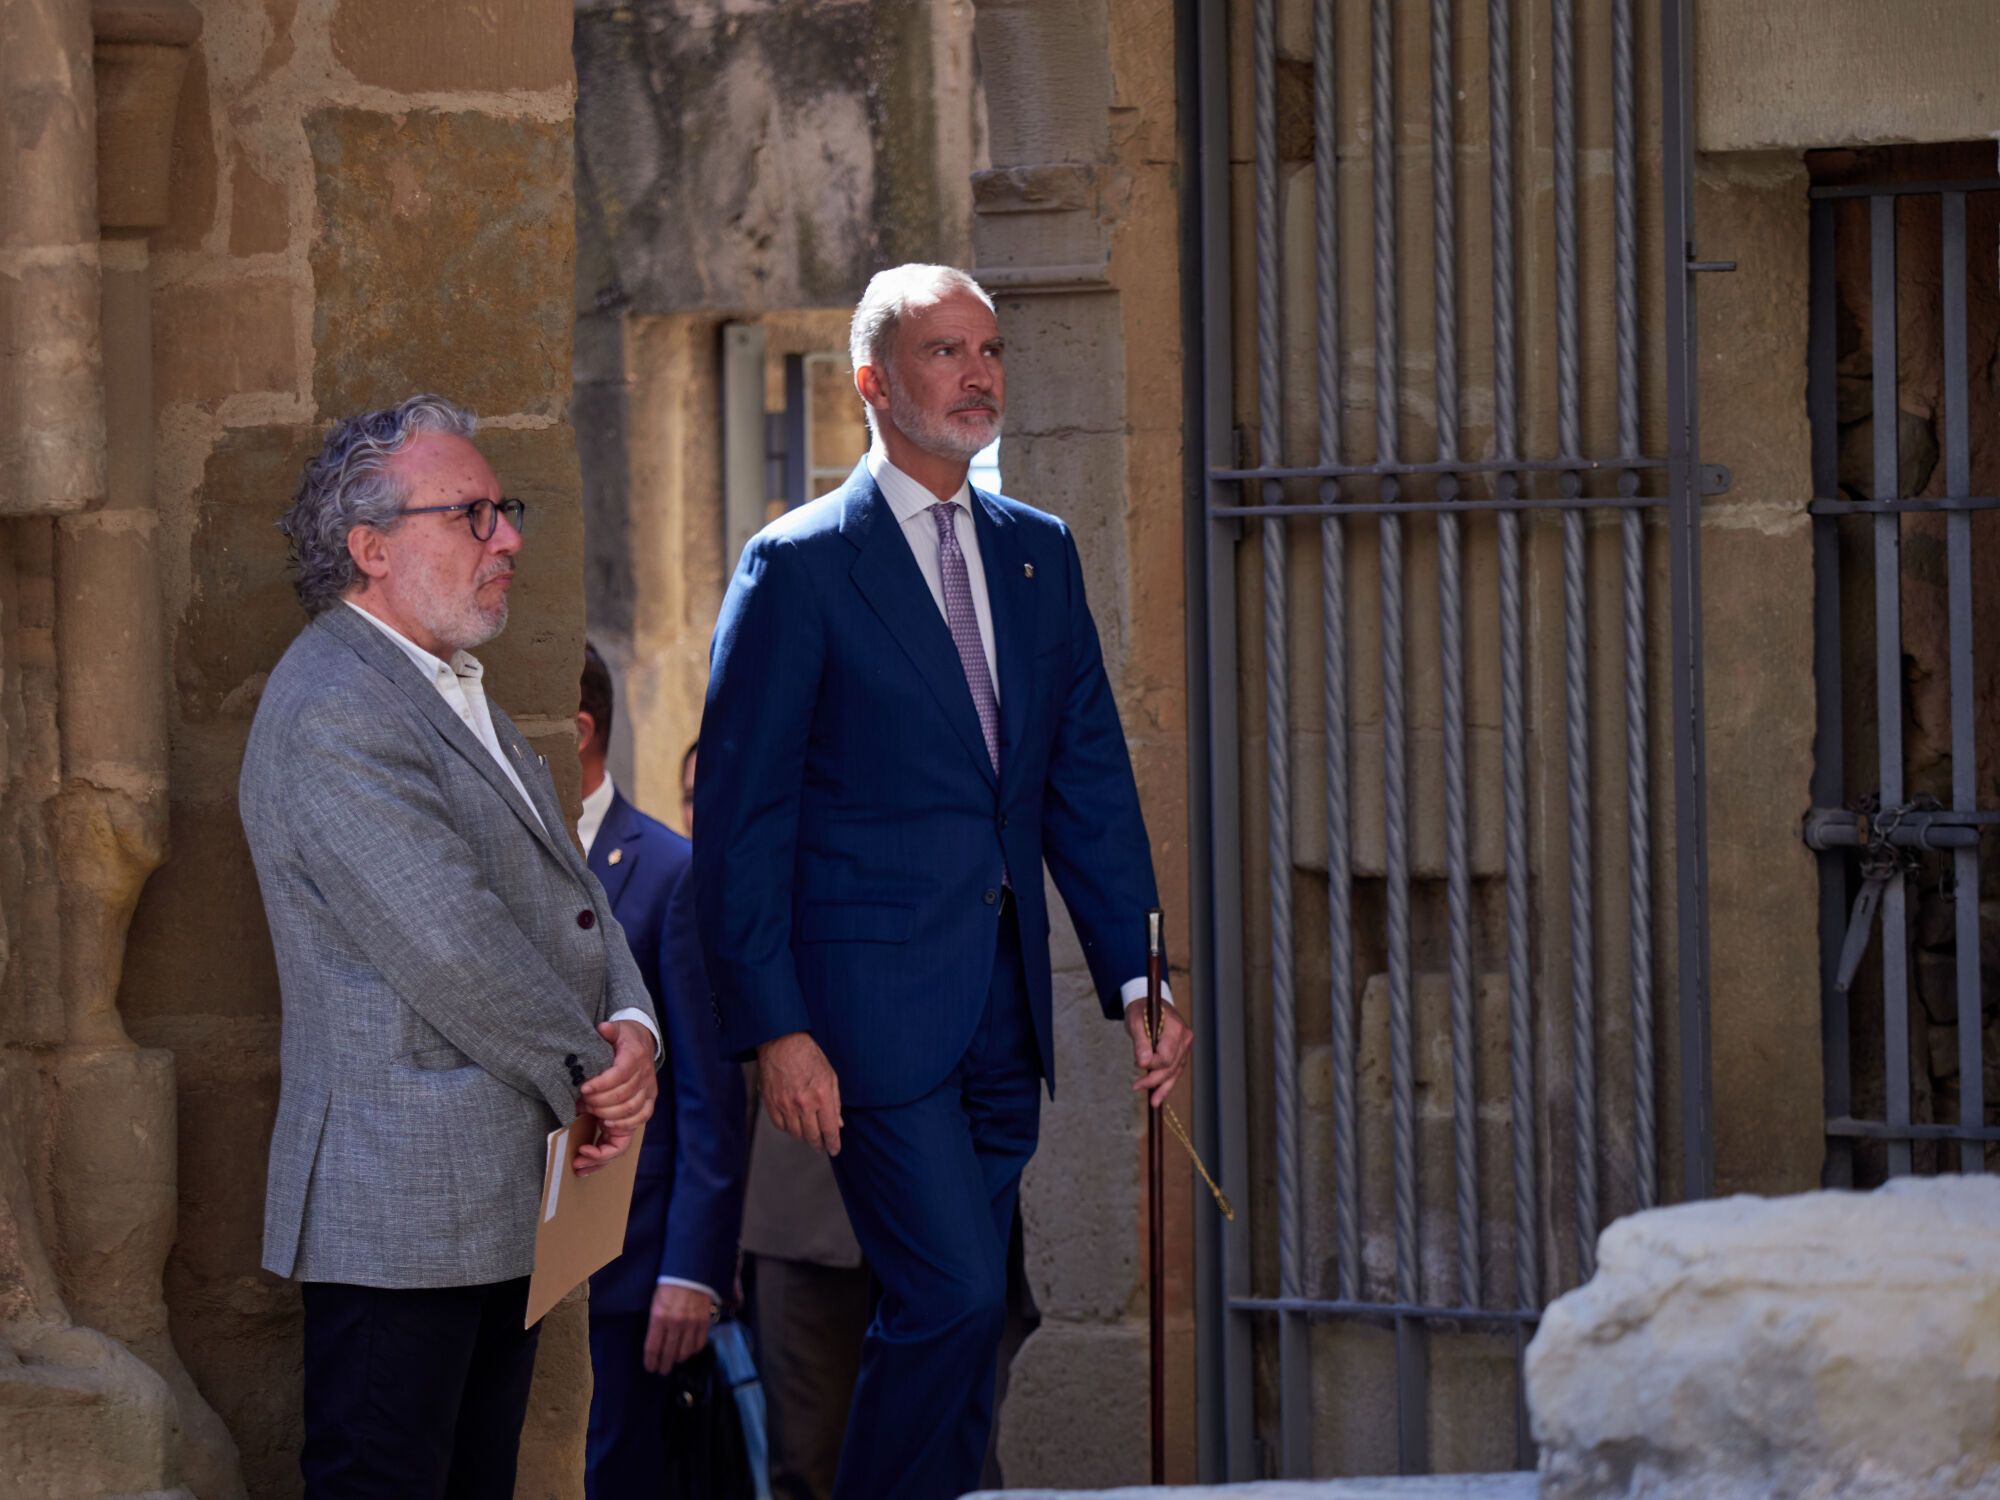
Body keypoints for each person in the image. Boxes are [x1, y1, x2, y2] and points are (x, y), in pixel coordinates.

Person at [694, 264, 1193, 1500]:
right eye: (944, 352)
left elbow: (1085, 780)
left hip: (1001, 1017)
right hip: (864, 1023)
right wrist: (775, 1031)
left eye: (990, 349)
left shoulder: (1039, 553)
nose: (978, 374)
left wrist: (1139, 978)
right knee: (952, 1296)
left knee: (979, 1319)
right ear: (872, 381)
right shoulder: (795, 566)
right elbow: (741, 828)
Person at [239, 394, 661, 1498]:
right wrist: (598, 1076)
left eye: (505, 510)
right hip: (398, 1212)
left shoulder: (448, 685)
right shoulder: (335, 705)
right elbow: (453, 941)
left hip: (494, 1201)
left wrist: (633, 1022)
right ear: (370, 548)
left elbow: (573, 894)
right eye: (472, 514)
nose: (507, 537)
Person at [576, 647, 748, 1498]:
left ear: (578, 731)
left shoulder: (671, 870)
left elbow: (711, 1098)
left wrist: (691, 1269)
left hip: (634, 1272)